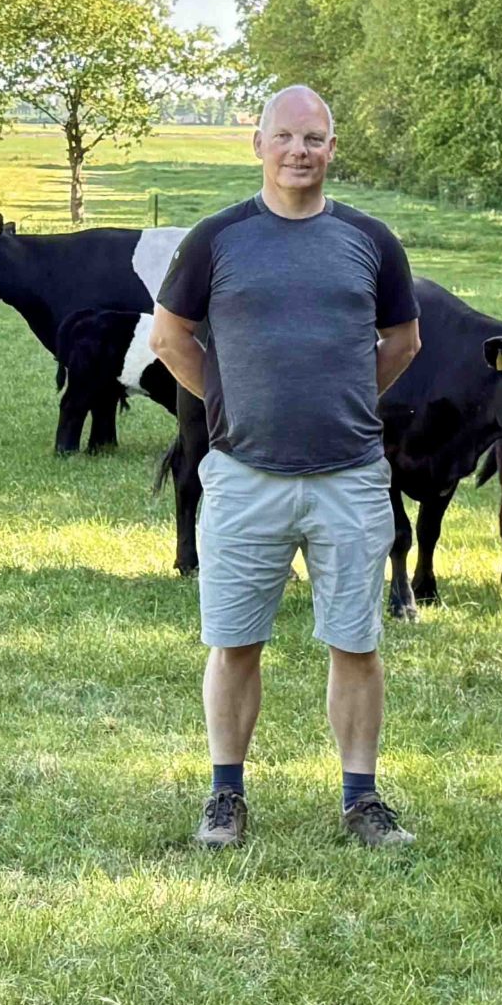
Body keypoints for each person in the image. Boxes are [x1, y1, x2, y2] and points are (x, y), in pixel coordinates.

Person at [149, 85, 422, 850]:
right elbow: (171, 341)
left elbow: (402, 344)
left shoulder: (371, 240)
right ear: (258, 144)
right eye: (285, 138)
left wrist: (343, 402)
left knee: (355, 642)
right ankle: (225, 797)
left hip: (349, 476)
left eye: (314, 139)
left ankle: (362, 800)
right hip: (244, 476)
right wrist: (234, 405)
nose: (299, 152)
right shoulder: (217, 239)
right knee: (234, 641)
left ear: (333, 149)